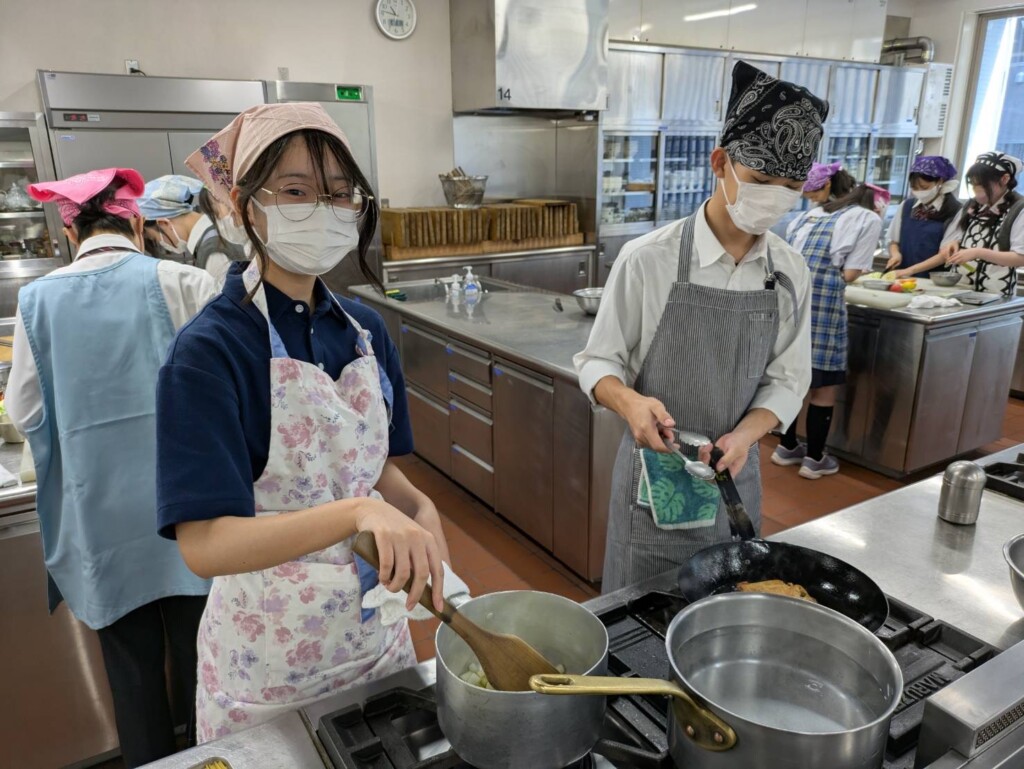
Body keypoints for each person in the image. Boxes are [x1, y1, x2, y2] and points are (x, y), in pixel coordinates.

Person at [156, 103, 450, 741]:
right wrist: (357, 514)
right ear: (245, 205)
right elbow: (204, 545)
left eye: (340, 194)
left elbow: (373, 470)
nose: (324, 209)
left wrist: (418, 507)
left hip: (375, 642)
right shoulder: (209, 352)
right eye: (296, 191)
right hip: (270, 665)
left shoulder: (365, 331)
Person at [574, 62, 826, 592]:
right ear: (720, 163)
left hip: (734, 475)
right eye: (761, 181)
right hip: (654, 480)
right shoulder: (649, 259)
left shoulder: (789, 271)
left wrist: (746, 436)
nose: (774, 198)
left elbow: (788, 379)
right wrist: (630, 404)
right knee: (642, 612)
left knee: (724, 614)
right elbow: (598, 362)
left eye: (789, 188)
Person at [7, 168, 216, 767]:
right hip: (193, 522)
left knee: (133, 677)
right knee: (206, 662)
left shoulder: (37, 301)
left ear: (72, 234)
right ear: (138, 223)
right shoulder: (187, 282)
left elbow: (25, 410)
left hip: (104, 529)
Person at [771, 167, 885, 478]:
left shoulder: (805, 219)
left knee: (794, 380)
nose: (809, 199)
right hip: (825, 309)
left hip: (792, 306)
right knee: (824, 387)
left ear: (827, 187)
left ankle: (786, 446)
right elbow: (850, 273)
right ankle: (815, 458)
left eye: (811, 192)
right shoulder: (865, 218)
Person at [895, 152, 1024, 296]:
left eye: (982, 185)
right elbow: (948, 249)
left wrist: (977, 252)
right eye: (973, 184)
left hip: (996, 294)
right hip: (959, 290)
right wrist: (954, 244)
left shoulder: (1019, 210)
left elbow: (1020, 258)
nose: (977, 191)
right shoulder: (972, 206)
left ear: (1005, 179)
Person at [139, 175, 244, 287]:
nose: (162, 244)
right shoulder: (215, 231)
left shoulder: (212, 251)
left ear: (164, 223)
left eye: (154, 239)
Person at [884, 156, 961, 275]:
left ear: (940, 181)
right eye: (914, 188)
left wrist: (909, 271)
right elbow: (893, 241)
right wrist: (895, 254)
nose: (919, 192)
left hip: (934, 279)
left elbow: (945, 253)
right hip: (902, 276)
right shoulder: (907, 206)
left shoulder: (955, 210)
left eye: (925, 188)